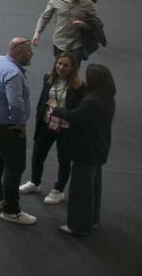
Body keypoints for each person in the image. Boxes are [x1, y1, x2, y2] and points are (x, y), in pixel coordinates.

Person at [49, 63, 115, 237]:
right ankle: (92, 220)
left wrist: (56, 109)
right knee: (94, 187)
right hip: (100, 148)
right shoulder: (107, 98)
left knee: (80, 190)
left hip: (86, 151)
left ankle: (78, 226)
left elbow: (73, 116)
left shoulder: (91, 101)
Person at [0, 37, 36, 225]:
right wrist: (20, 123)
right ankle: (11, 210)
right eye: (28, 51)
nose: (32, 54)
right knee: (14, 166)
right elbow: (16, 104)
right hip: (7, 127)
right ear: (18, 51)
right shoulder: (14, 74)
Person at [19, 52, 85, 205]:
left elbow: (78, 112)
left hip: (66, 128)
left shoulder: (79, 87)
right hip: (46, 124)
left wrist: (58, 110)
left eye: (66, 65)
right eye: (59, 63)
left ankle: (58, 190)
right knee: (37, 154)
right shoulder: (48, 79)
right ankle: (35, 182)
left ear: (73, 68)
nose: (61, 67)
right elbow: (43, 101)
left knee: (64, 159)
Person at [33, 0, 97, 59]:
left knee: (73, 66)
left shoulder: (87, 4)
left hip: (76, 44)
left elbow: (96, 24)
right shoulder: (55, 0)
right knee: (59, 66)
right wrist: (37, 33)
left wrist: (84, 25)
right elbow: (45, 18)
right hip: (59, 42)